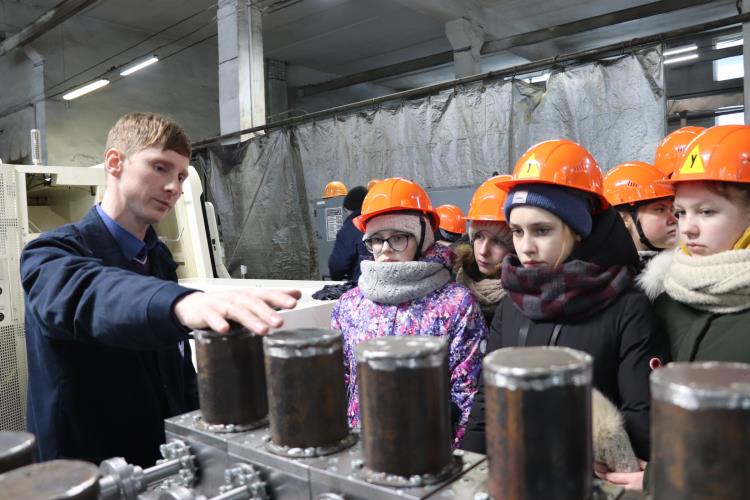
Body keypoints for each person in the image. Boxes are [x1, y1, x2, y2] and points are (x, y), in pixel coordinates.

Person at [21, 112, 300, 467]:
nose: (174, 187)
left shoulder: (158, 257)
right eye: (160, 167)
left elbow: (175, 366)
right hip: (87, 466)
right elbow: (93, 294)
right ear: (115, 163)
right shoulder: (51, 253)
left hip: (159, 454)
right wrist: (181, 304)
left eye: (181, 176)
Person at [461, 139, 668, 463]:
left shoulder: (628, 308)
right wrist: (470, 468)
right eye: (517, 231)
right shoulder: (512, 303)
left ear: (578, 229)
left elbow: (641, 421)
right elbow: (488, 400)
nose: (525, 247)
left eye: (541, 230)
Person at [604, 125, 750, 491]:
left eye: (707, 211)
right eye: (680, 212)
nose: (688, 229)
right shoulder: (664, 296)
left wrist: (667, 477)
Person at [330, 177, 487, 447]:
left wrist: (453, 458)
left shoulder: (455, 305)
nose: (385, 248)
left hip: (427, 452)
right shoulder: (349, 306)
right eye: (376, 240)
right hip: (361, 448)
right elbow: (338, 383)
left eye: (398, 237)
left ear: (423, 238)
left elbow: (467, 394)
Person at [453, 175, 514, 325]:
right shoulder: (454, 279)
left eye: (497, 241)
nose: (483, 251)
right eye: (479, 237)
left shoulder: (522, 300)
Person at [603, 162, 677, 269]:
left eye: (672, 210)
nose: (674, 219)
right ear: (624, 219)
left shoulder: (687, 263)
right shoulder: (608, 274)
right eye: (660, 209)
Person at [328, 185, 369, 281]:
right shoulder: (378, 221)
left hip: (362, 284)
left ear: (349, 208)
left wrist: (336, 278)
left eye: (346, 211)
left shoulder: (349, 228)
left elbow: (338, 265)